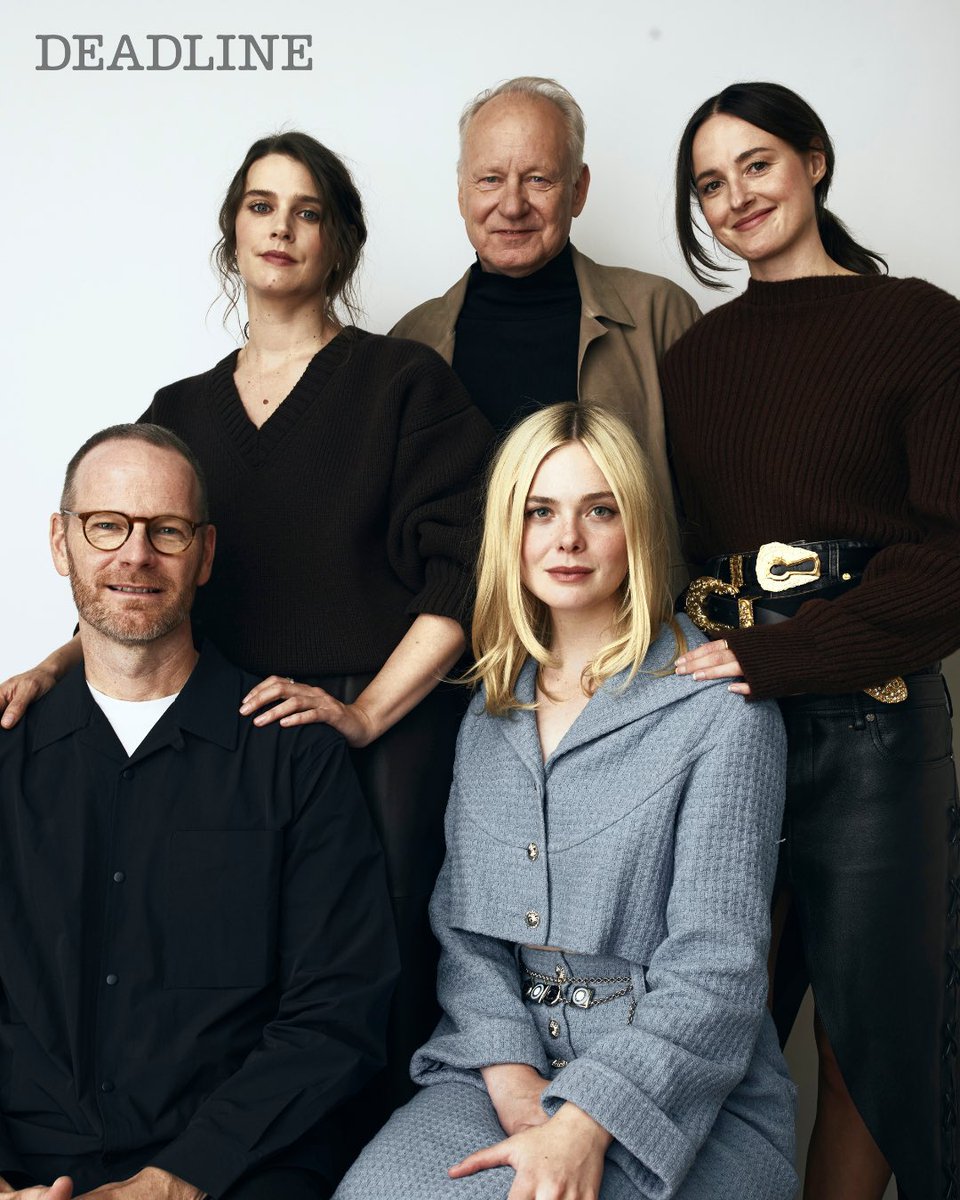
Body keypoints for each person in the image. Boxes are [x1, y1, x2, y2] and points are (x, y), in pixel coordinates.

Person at [0, 131, 493, 1144]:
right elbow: (136, 577)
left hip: (377, 722)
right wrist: (53, 669)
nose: (282, 227)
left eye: (308, 210)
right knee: (204, 984)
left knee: (376, 981)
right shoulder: (179, 410)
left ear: (340, 243)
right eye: (262, 205)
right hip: (222, 733)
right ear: (233, 232)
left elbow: (466, 569)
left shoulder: (401, 383)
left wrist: (362, 715)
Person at [335, 403, 798, 1200]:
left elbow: (718, 970)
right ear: (508, 531)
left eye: (600, 511)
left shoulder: (723, 708)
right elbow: (466, 935)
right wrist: (518, 1095)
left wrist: (582, 1121)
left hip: (680, 1089)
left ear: (639, 528)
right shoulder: (489, 710)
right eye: (539, 511)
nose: (567, 540)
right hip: (499, 1068)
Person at [662, 81, 960, 1200]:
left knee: (866, 1044)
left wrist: (784, 657)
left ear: (815, 161)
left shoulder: (925, 325)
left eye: (757, 164)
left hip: (876, 732)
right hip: (730, 730)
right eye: (708, 184)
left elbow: (954, 560)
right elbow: (682, 555)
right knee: (714, 1031)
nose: (735, 197)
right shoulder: (693, 363)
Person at [0, 424, 398, 1200]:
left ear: (205, 553)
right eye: (107, 525)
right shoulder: (6, 752)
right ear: (61, 541)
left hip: (236, 1167)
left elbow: (338, 1007)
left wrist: (178, 1180)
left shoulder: (294, 754)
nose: (135, 555)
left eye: (167, 531)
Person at [391, 75, 701, 591]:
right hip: (458, 646)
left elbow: (712, 503)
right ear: (461, 190)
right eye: (489, 179)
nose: (512, 206)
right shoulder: (409, 344)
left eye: (538, 179)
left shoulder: (659, 314)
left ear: (578, 190)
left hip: (631, 645)